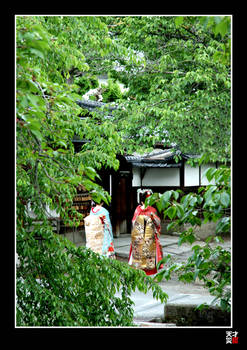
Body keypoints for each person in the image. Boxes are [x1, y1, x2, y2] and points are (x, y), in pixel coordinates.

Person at [128, 190, 163, 275]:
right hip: (143, 236)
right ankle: (143, 272)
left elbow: (134, 222)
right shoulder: (140, 209)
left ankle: (145, 272)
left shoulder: (141, 210)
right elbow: (157, 223)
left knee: (146, 255)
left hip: (145, 236)